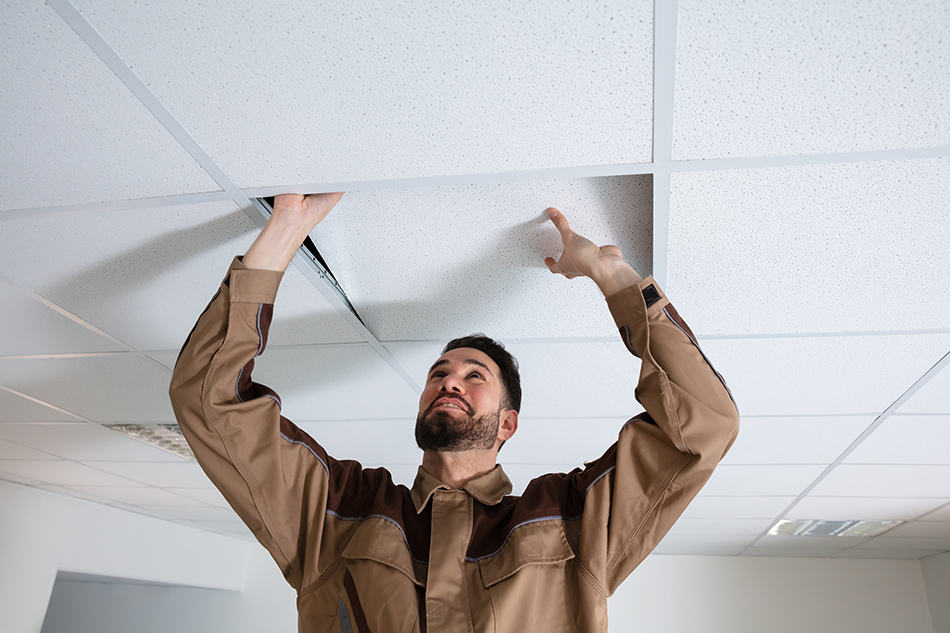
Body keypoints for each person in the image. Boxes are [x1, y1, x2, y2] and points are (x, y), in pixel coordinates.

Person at [169, 192, 740, 633]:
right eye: (438, 375)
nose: (448, 383)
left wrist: (612, 276)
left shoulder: (573, 523)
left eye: (474, 376)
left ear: (508, 422)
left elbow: (703, 425)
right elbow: (209, 402)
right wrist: (281, 237)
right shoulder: (340, 511)